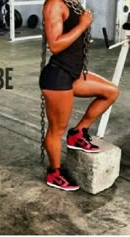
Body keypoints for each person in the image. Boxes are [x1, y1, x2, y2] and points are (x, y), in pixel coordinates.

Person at [39, 0, 119, 191]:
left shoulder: (72, 2)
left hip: (73, 73)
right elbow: (55, 45)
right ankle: (54, 173)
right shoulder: (54, 4)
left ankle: (77, 133)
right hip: (58, 76)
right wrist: (83, 24)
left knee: (111, 92)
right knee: (56, 130)